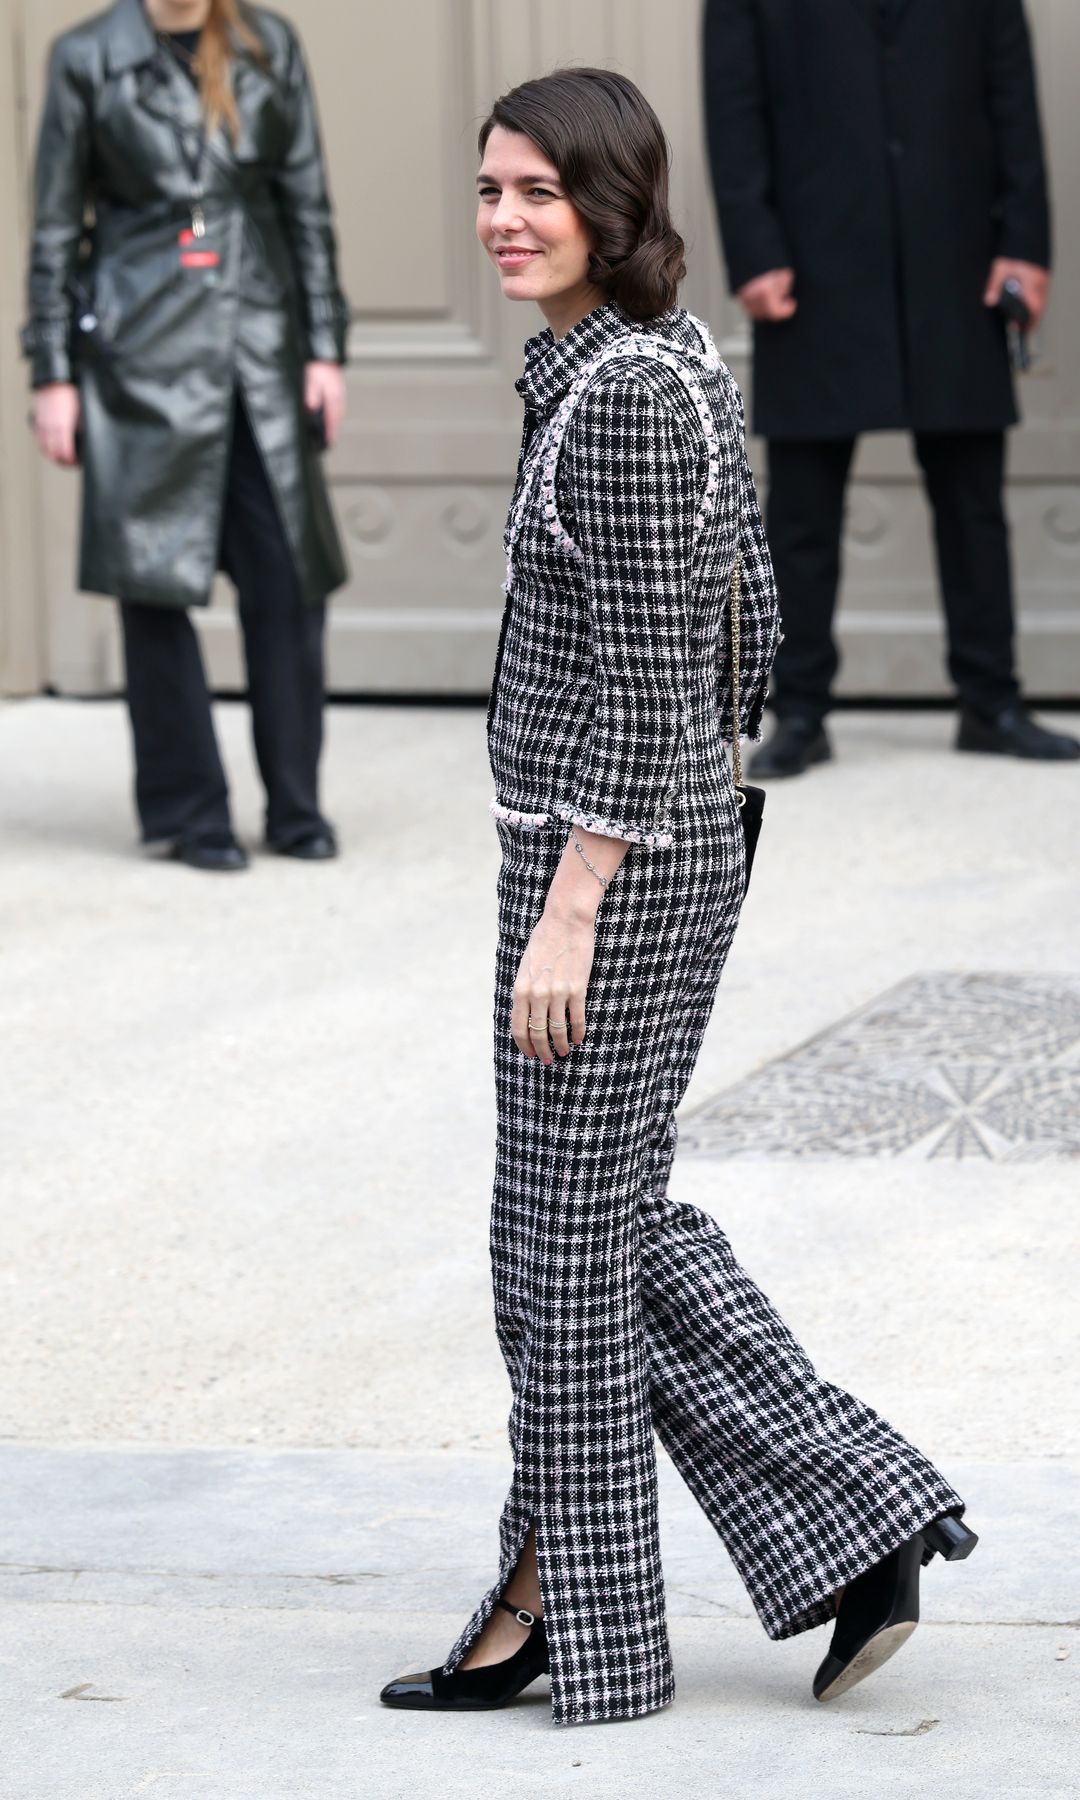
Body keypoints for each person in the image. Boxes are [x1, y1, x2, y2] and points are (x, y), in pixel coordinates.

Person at [378, 67, 977, 1728]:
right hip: (638, 841)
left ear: (613, 208)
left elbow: (659, 678)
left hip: (610, 861)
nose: (504, 217)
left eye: (538, 193)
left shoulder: (629, 395)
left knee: (564, 1259)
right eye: (491, 188)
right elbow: (751, 615)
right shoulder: (641, 365)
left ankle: (588, 1619)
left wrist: (579, 900)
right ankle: (826, 1531)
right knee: (579, 1235)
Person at [703, 0, 1080, 777]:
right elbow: (732, 108)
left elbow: (1013, 97)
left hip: (957, 258)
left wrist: (1026, 243)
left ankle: (991, 702)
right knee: (802, 509)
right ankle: (799, 710)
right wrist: (752, 248)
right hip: (812, 259)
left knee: (973, 498)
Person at [23, 0, 350, 870]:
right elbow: (56, 227)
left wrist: (325, 348)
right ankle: (188, 813)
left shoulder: (266, 42)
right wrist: (50, 371)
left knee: (288, 579)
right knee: (155, 588)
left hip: (258, 346)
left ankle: (295, 804)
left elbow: (306, 203)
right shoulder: (88, 55)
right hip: (140, 355)